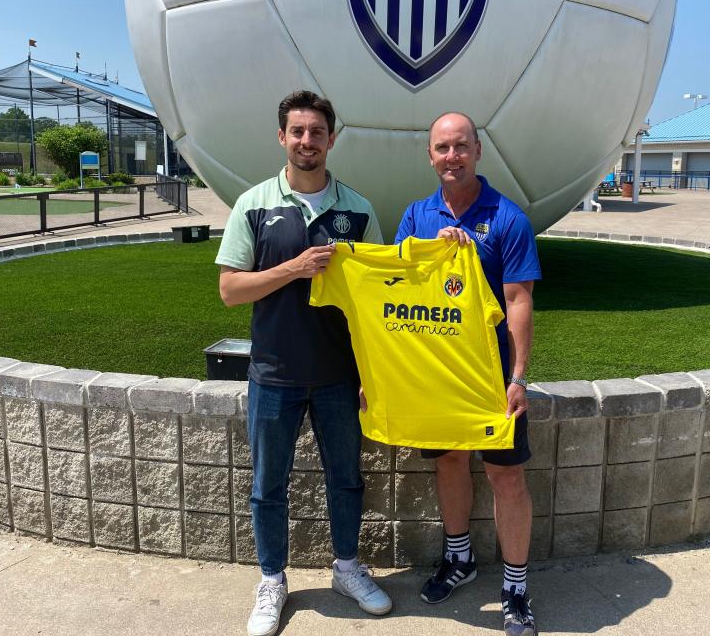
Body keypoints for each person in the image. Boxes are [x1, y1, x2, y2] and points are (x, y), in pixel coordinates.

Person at [216, 90, 391, 636]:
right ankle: (272, 579)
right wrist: (293, 268)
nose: (307, 141)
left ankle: (346, 568)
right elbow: (230, 289)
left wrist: (372, 374)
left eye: (317, 132)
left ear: (332, 139)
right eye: (298, 132)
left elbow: (380, 302)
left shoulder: (358, 210)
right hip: (274, 375)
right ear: (282, 138)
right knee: (269, 483)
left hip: (339, 377)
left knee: (346, 480)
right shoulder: (254, 203)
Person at [394, 112, 542, 636]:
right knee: (450, 463)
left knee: (506, 475)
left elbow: (519, 299)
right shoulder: (416, 216)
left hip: (491, 378)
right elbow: (400, 294)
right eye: (441, 148)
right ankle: (459, 560)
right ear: (430, 155)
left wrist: (518, 376)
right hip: (438, 376)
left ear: (478, 151)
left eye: (460, 147)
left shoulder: (507, 218)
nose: (451, 157)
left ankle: (516, 587)